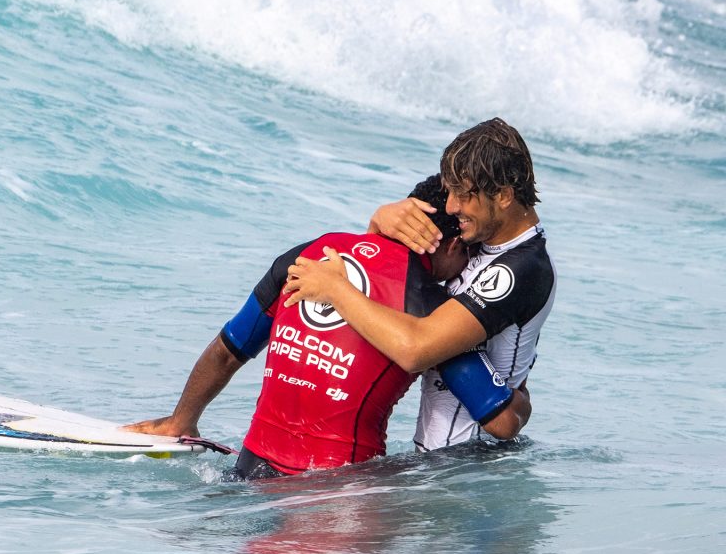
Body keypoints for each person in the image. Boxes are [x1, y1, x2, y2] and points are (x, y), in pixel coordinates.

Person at [127, 173, 528, 478]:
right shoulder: (430, 312)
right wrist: (518, 377)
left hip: (249, 470)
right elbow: (502, 421)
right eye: (471, 254)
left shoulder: (309, 254)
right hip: (336, 491)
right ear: (454, 244)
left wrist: (181, 421)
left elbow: (228, 349)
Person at [286, 118, 556, 451]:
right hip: (441, 460)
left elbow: (416, 349)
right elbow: (401, 283)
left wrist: (335, 289)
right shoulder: (480, 242)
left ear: (503, 196)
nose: (451, 206)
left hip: (469, 464)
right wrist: (379, 222)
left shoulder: (520, 270)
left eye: (462, 194)